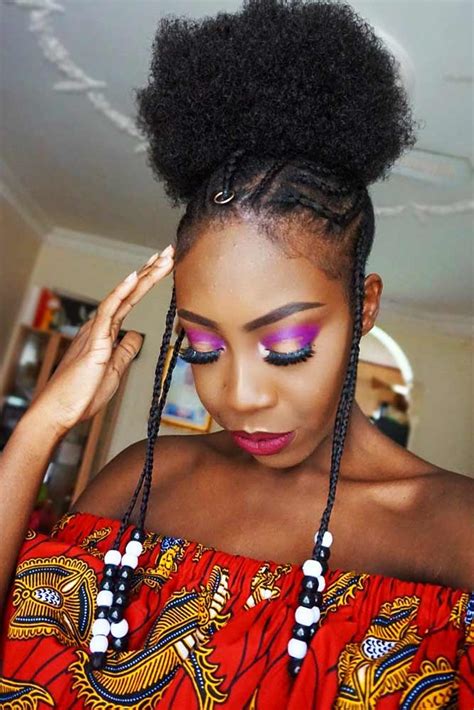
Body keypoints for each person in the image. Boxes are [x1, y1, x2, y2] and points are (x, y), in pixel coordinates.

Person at [1, 1, 473, 707]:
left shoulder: (456, 530)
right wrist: (41, 426)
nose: (238, 395)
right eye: (202, 346)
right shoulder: (145, 478)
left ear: (365, 306)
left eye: (286, 348)